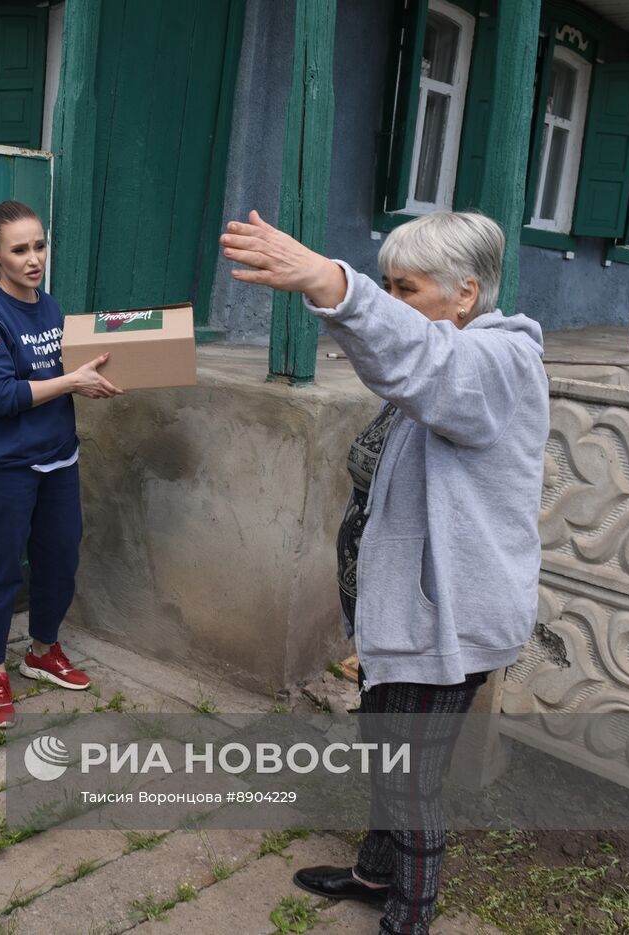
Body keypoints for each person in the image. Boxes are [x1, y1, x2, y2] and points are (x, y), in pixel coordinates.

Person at [220, 210, 549, 935]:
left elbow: (429, 369)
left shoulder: (498, 361)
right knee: (385, 753)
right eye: (388, 287)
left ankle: (409, 917)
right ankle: (376, 870)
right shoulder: (450, 346)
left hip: (443, 621)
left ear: (465, 294)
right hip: (396, 615)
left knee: (410, 783)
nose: (394, 301)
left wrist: (336, 285)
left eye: (406, 288)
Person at [0, 200, 122, 728]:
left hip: (59, 460)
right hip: (7, 469)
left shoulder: (49, 307)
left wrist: (87, 380)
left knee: (58, 562)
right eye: (20, 249)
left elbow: (57, 375)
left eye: (40, 246)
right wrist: (71, 382)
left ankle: (41, 650)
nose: (34, 259)